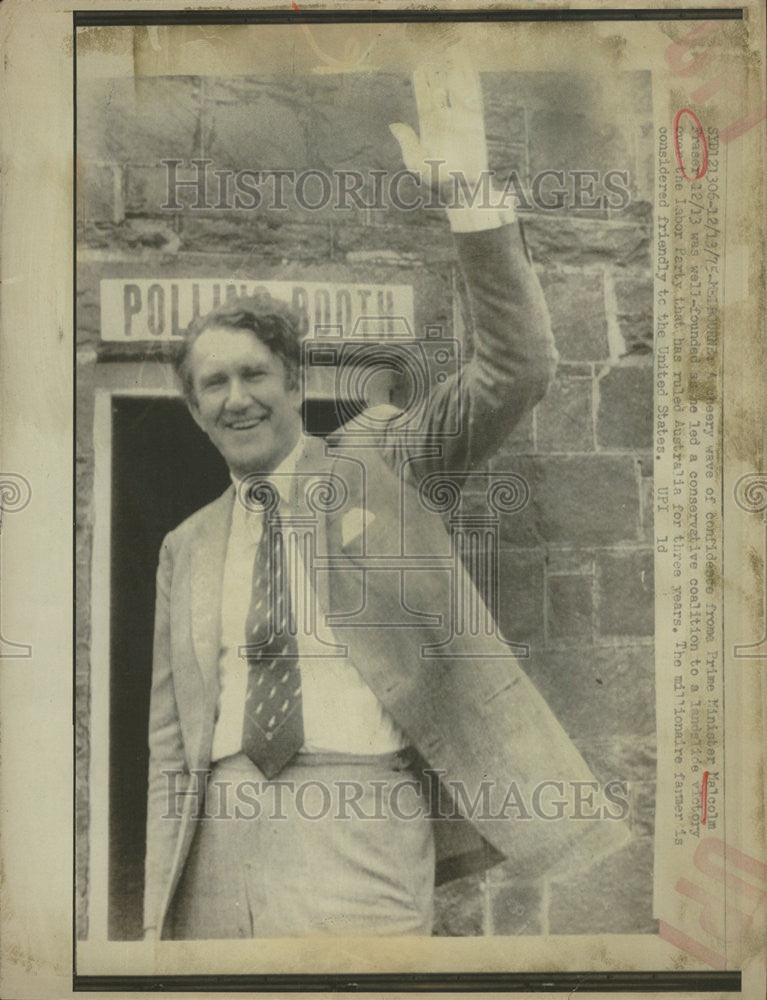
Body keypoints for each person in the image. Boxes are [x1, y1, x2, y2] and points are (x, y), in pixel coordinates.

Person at [143, 67, 627, 940]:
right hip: (215, 841)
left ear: (295, 384)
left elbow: (515, 370)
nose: (236, 397)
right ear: (194, 408)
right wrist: (160, 901)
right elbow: (169, 745)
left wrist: (470, 203)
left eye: (254, 374)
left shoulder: (385, 458)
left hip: (359, 820)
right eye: (212, 384)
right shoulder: (186, 543)